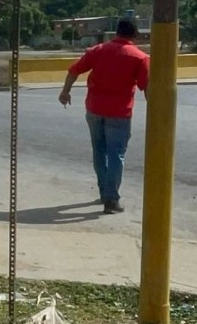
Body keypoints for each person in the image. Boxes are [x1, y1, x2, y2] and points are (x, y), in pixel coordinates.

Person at [59, 18, 149, 214]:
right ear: (135, 35)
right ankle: (111, 199)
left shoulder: (98, 51)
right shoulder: (140, 57)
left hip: (94, 109)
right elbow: (147, 88)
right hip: (120, 113)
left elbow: (74, 71)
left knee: (99, 152)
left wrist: (65, 92)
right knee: (116, 154)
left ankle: (104, 192)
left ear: (116, 32)